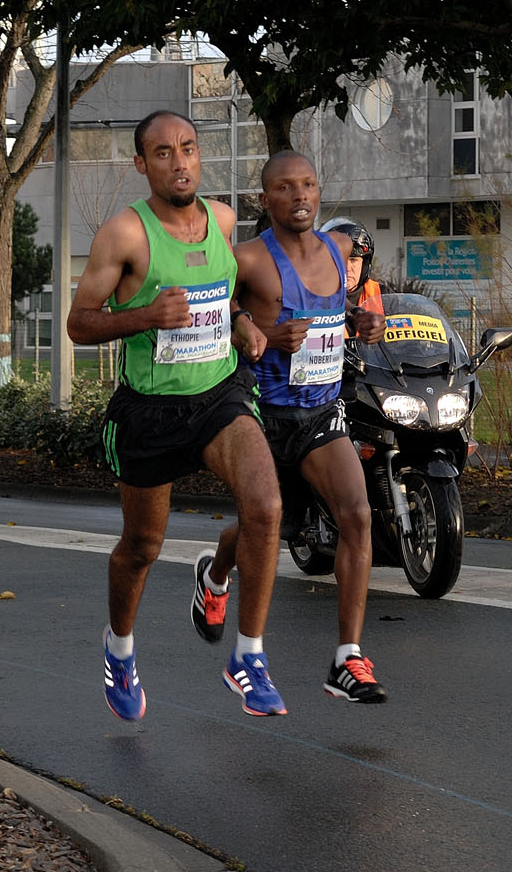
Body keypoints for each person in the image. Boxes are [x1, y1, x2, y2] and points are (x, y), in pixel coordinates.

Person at [67, 109, 285, 720]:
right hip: (151, 411)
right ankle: (120, 648)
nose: (179, 161)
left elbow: (226, 291)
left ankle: (247, 656)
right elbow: (78, 324)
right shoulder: (125, 236)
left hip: (219, 395)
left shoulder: (220, 218)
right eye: (162, 152)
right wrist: (143, 316)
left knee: (266, 506)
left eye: (188, 148)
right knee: (142, 546)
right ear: (142, 164)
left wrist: (240, 323)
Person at [229, 151, 390, 703]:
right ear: (265, 199)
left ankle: (348, 658)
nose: (299, 196)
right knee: (264, 527)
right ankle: (217, 571)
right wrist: (256, 331)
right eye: (285, 188)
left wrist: (364, 320)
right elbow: (218, 312)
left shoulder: (339, 249)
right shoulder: (247, 258)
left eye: (309, 185)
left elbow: (340, 306)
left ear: (319, 193)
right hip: (263, 414)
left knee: (357, 514)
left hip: (321, 411)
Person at [323, 217, 383, 316]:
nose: (347, 268)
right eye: (341, 260)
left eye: (353, 260)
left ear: (364, 265)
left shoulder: (381, 294)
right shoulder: (309, 300)